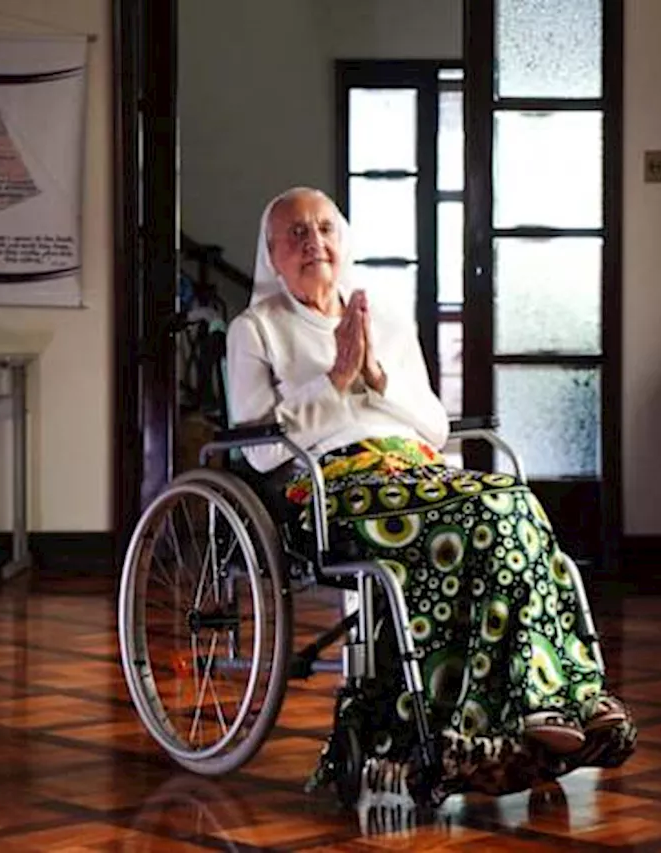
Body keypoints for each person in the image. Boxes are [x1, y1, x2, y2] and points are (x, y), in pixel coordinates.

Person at [225, 187, 635, 802]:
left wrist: (378, 377)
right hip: (332, 487)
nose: (314, 242)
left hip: (415, 473)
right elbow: (258, 449)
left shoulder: (383, 317)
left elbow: (434, 426)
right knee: (486, 507)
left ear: (345, 241)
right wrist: (336, 378)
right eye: (296, 234)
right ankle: (515, 710)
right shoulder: (256, 329)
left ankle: (562, 698)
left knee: (509, 500)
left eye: (325, 229)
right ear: (272, 255)